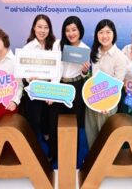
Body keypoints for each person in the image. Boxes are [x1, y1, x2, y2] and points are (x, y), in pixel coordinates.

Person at [49, 16, 90, 162]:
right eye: (67, 30)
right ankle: (54, 153)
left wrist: (85, 71)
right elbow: (55, 68)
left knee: (74, 122)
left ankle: (72, 153)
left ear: (80, 30)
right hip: (59, 85)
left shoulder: (85, 49)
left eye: (74, 29)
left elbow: (84, 74)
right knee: (54, 121)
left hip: (76, 87)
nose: (71, 33)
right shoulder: (58, 44)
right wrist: (52, 92)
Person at [85, 19, 128, 148]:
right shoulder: (94, 52)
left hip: (108, 103)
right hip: (92, 99)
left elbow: (118, 83)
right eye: (101, 32)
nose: (104, 36)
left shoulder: (119, 56)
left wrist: (107, 104)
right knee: (91, 132)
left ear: (113, 34)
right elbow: (90, 77)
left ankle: (104, 161)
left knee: (106, 134)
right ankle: (92, 159)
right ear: (96, 35)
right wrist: (84, 71)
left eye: (108, 32)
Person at [22, 14, 58, 142]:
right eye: (39, 27)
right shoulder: (27, 48)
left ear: (50, 29)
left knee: (49, 120)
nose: (42, 31)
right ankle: (34, 147)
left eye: (46, 27)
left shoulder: (55, 45)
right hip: (35, 89)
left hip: (50, 89)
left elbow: (58, 68)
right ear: (34, 28)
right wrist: (28, 78)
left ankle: (48, 140)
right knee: (35, 120)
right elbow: (23, 73)